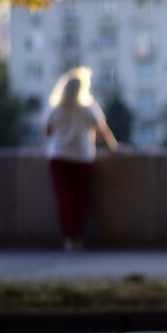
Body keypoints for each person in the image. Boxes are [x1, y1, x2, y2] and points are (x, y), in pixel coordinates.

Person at [44, 67, 120, 251]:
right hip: (82, 158)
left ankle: (68, 238)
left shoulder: (56, 108)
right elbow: (103, 131)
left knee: (64, 199)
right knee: (81, 199)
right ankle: (78, 237)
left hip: (59, 157)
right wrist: (115, 148)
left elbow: (47, 132)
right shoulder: (88, 108)